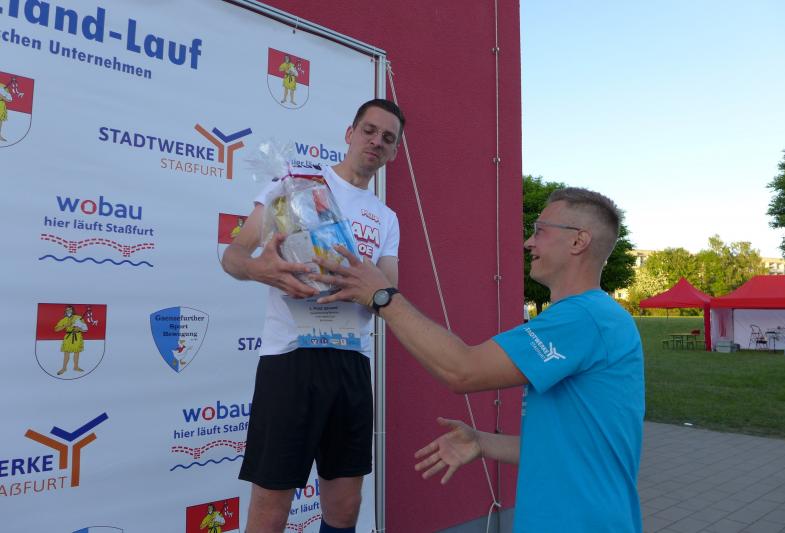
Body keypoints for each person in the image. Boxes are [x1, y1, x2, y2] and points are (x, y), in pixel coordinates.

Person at [310, 187, 645, 532]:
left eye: (540, 231)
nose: (528, 242)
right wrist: (482, 442)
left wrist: (382, 297)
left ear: (578, 241)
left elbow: (463, 370)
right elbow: (567, 447)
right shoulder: (591, 318)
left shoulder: (583, 318)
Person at [221, 98, 405, 533]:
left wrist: (366, 288)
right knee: (270, 509)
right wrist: (261, 269)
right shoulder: (296, 185)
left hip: (351, 360)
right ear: (350, 133)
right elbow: (233, 256)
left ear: (394, 152)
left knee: (345, 508)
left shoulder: (386, 217)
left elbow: (388, 293)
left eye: (388, 138)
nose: (376, 141)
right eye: (369, 130)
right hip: (291, 359)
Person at [54, 305, 87, 375]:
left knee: (77, 352)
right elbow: (56, 329)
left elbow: (85, 329)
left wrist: (79, 329)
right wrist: (65, 325)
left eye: (70, 310)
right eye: (67, 310)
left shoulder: (78, 318)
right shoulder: (64, 319)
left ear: (73, 310)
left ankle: (76, 367)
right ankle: (64, 368)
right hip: (68, 338)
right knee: (66, 353)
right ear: (65, 311)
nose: (68, 311)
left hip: (77, 336)